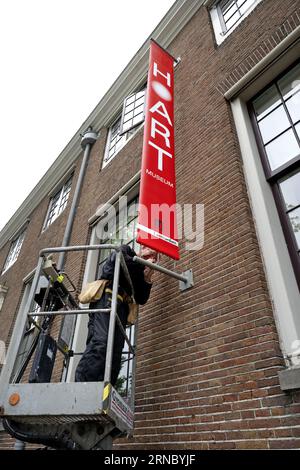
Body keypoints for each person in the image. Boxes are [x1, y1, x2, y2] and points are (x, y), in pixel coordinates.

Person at [75, 244, 157, 385]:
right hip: (107, 297)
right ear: (143, 247)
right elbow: (116, 262)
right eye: (150, 252)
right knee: (101, 342)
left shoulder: (139, 270)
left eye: (154, 257)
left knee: (116, 352)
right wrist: (140, 262)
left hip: (122, 307)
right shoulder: (127, 251)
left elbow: (141, 298)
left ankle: (107, 390)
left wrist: (147, 277)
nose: (151, 257)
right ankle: (83, 385)